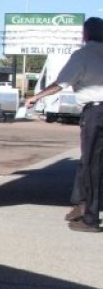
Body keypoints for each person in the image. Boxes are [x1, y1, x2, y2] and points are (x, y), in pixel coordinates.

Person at [25, 16, 103, 233]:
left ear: (85, 35)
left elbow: (61, 83)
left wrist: (36, 97)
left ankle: (90, 218)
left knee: (91, 165)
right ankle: (85, 207)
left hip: (96, 113)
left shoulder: (83, 55)